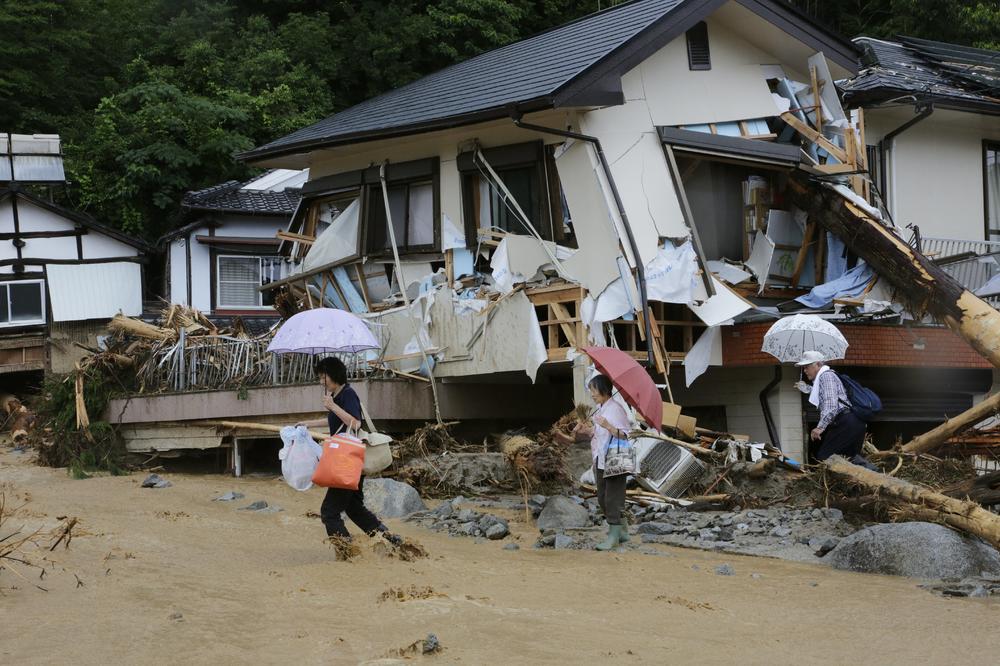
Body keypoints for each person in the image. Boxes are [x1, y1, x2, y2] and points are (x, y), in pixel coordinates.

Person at [300, 357, 402, 546]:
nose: (321, 381)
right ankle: (390, 541)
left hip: (347, 462)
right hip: (350, 460)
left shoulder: (347, 394)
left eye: (324, 377)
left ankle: (348, 551)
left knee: (329, 512)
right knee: (354, 508)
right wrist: (308, 424)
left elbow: (355, 423)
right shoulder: (338, 396)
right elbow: (334, 420)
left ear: (334, 375)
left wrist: (332, 406)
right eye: (320, 378)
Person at [577, 374, 632, 551]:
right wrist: (588, 430)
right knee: (602, 497)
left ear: (604, 389)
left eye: (594, 390)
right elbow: (598, 434)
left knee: (613, 498)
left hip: (614, 459)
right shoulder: (601, 408)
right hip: (600, 458)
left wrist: (608, 425)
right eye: (591, 390)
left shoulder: (615, 409)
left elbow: (626, 434)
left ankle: (614, 536)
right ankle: (622, 531)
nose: (592, 394)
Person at [795, 351, 875, 468]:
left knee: (825, 457)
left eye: (807, 366)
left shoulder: (826, 376)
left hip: (846, 422)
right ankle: (876, 476)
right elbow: (823, 394)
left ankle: (878, 476)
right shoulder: (825, 377)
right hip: (852, 422)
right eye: (803, 367)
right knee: (849, 458)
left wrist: (819, 428)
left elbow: (831, 405)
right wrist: (806, 388)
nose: (805, 370)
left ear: (817, 364)